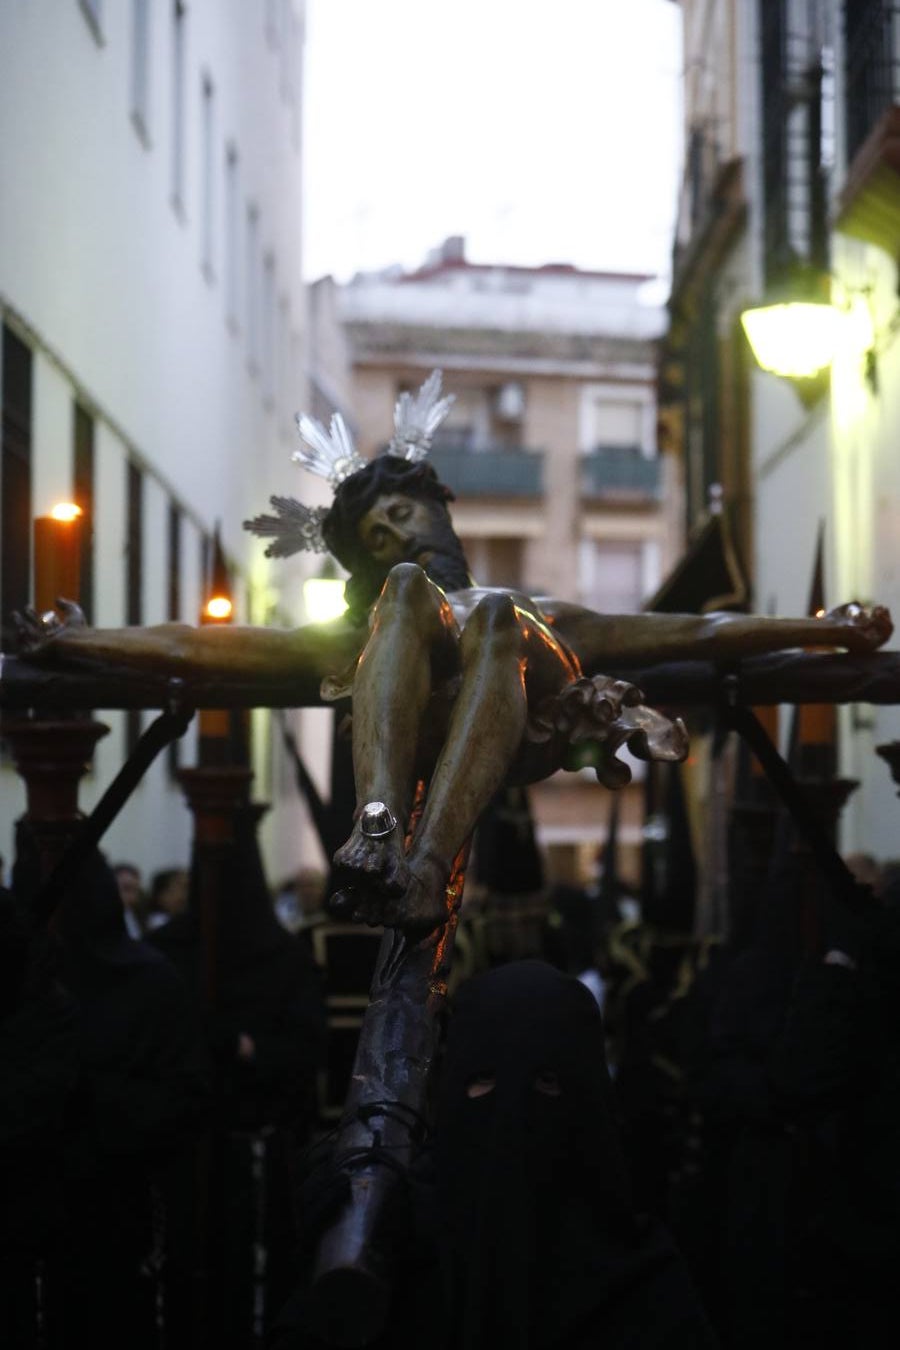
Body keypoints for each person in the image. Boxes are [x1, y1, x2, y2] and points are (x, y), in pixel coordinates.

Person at [12, 373, 893, 939]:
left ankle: (423, 861)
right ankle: (381, 831)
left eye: (407, 515)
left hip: (527, 722)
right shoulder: (373, 616)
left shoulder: (550, 612)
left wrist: (821, 629)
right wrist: (78, 638)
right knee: (403, 600)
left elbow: (701, 633)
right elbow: (195, 649)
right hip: (414, 733)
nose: (399, 531)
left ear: (443, 510)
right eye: (376, 531)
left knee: (500, 613)